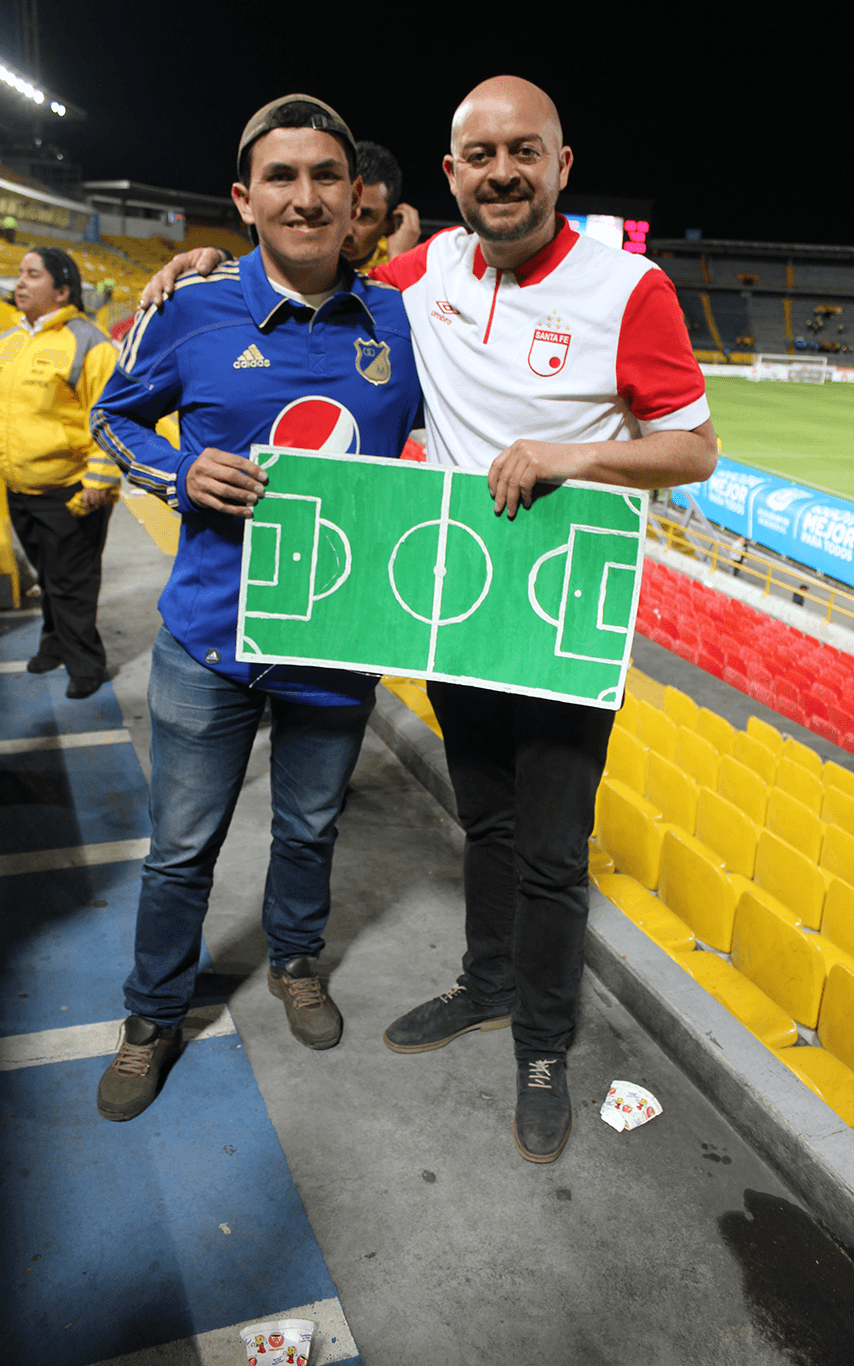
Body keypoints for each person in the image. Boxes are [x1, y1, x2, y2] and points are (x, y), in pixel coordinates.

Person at [139, 76, 718, 1163]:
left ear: (559, 164)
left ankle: (541, 1045)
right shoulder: (428, 274)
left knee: (550, 851)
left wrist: (569, 457)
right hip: (453, 601)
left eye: (523, 151)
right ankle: (486, 982)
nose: (502, 173)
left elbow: (692, 449)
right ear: (450, 176)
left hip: (557, 612)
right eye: (479, 156)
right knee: (485, 823)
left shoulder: (628, 286)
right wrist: (204, 263)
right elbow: (312, 267)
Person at [89, 95, 421, 1123]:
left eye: (326, 176)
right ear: (243, 198)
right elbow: (113, 416)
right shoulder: (191, 307)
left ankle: (294, 961)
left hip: (336, 638)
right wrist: (180, 473)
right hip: (207, 639)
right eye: (281, 177)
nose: (305, 196)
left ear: (357, 197)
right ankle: (152, 1015)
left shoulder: (400, 321)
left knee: (310, 827)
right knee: (180, 848)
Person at [0, 248, 119, 699]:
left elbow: (109, 415)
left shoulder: (89, 342)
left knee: (73, 582)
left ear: (62, 290)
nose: (20, 282)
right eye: (19, 273)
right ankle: (54, 645)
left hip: (71, 489)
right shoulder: (6, 342)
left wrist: (100, 478)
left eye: (33, 274)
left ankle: (86, 664)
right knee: (48, 575)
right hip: (20, 488)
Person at [341, 141, 420, 274]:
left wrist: (399, 259)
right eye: (342, 210)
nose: (346, 232)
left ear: (390, 224)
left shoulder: (399, 263)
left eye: (365, 216)